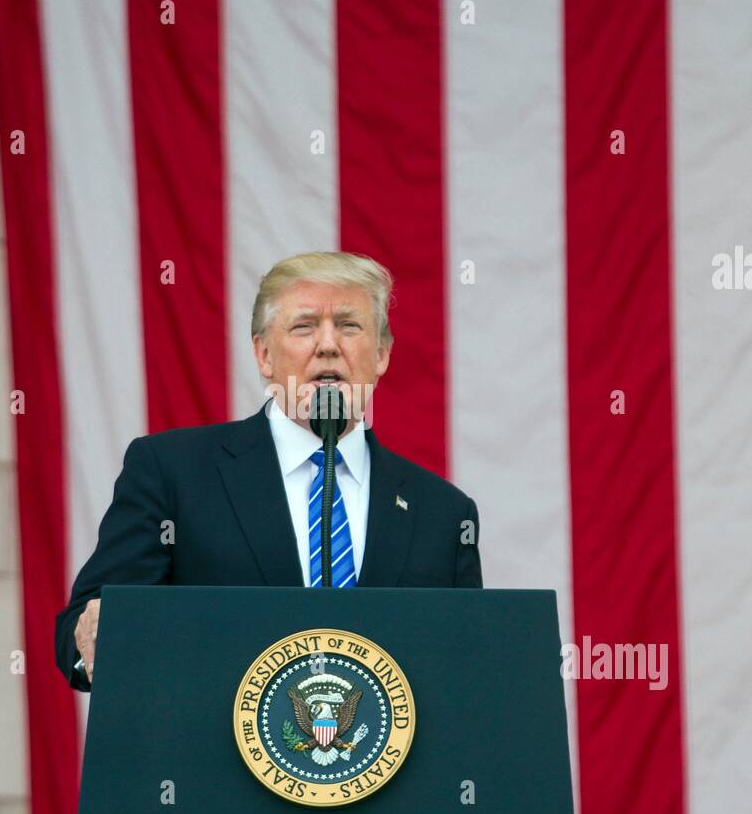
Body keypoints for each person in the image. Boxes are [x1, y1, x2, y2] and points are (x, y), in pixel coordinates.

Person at [54, 251, 483, 689]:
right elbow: (84, 630)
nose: (329, 344)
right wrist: (96, 639)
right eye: (304, 326)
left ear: (382, 355)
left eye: (349, 326)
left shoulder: (445, 514)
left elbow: (471, 665)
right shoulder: (172, 473)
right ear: (263, 355)